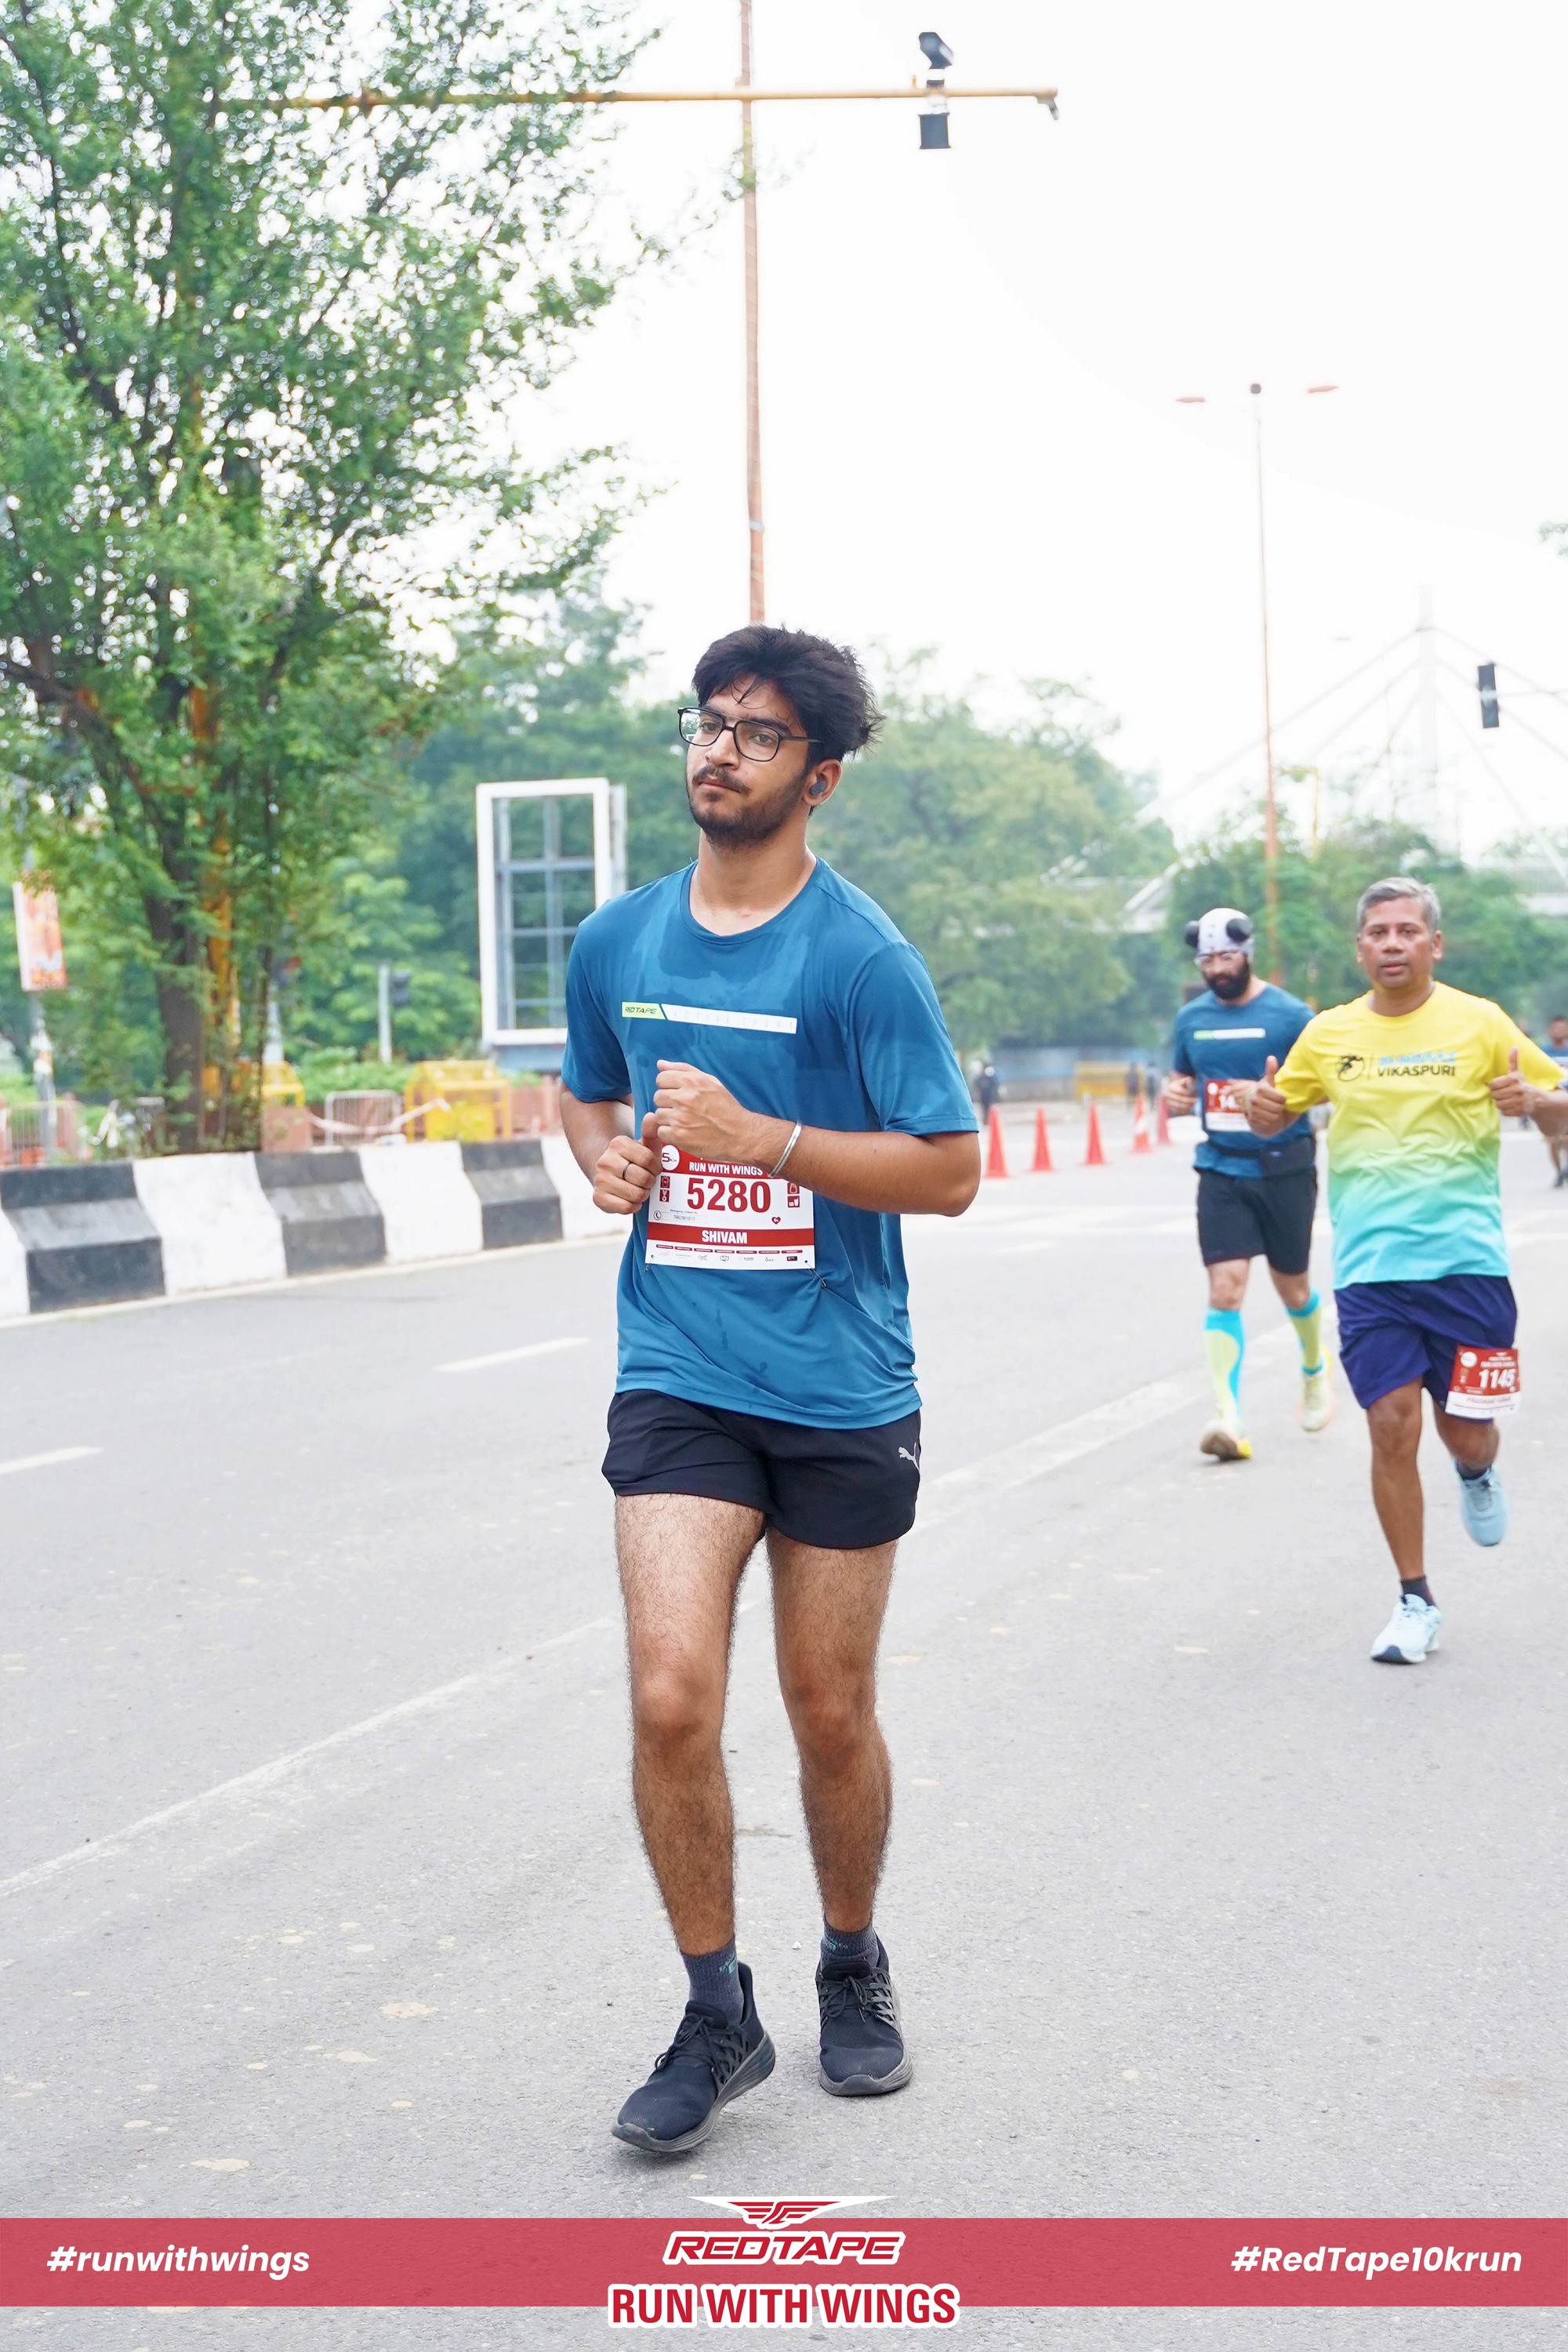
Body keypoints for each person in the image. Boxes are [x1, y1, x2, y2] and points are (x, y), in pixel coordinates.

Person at [559, 625, 980, 2154]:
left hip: (840, 1380)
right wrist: (602, 1156)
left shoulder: (860, 960)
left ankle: (850, 1961)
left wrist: (766, 1143)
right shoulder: (619, 940)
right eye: (708, 722)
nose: (718, 750)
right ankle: (713, 2009)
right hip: (679, 1367)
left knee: (826, 1708)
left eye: (757, 733)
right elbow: (584, 1086)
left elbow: (949, 1170)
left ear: (821, 776)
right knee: (671, 1694)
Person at [1244, 877, 1568, 1663]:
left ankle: (1475, 1472)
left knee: (1467, 1435)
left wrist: (1535, 1101)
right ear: (1360, 948)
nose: (1392, 943)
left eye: (1406, 930)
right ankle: (1414, 1599)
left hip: (1467, 1267)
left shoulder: (1480, 1021)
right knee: (1390, 1424)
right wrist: (1263, 1111)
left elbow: (1559, 1101)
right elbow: (1277, 1112)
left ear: (1434, 944)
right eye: (1377, 932)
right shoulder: (1327, 1033)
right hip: (1370, 1269)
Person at [1163, 907, 1330, 1461]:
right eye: (1207, 959)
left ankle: (1314, 1368)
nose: (1217, 968)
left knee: (1293, 1288)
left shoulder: (1291, 1015)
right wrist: (1175, 1094)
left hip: (1284, 1166)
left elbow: (1323, 1086)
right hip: (1221, 1167)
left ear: (1247, 953)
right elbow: (1183, 1078)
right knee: (1226, 1288)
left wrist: (1270, 1096)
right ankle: (1228, 1416)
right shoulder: (1191, 1019)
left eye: (1226, 957)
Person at [1543, 1014, 1568, 1185]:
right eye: (1555, 1028)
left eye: (1562, 1028)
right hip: (1550, 1099)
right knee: (1553, 1140)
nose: (1559, 1031)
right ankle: (1559, 1172)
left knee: (1566, 1138)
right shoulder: (1543, 1052)